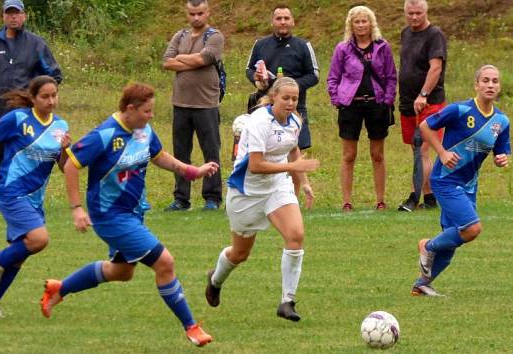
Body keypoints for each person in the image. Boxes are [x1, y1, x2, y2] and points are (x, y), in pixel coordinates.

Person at [40, 83, 216, 347]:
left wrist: (191, 171)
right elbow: (71, 166)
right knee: (165, 262)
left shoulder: (143, 130)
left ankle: (59, 288)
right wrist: (77, 208)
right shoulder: (104, 134)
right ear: (130, 109)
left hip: (133, 214)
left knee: (121, 272)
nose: (151, 116)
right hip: (110, 217)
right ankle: (191, 327)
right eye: (146, 111)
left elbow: (159, 156)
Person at [205, 77, 320, 322]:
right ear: (274, 97)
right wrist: (295, 166)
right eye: (286, 98)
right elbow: (255, 166)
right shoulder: (259, 122)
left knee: (296, 235)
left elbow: (292, 150)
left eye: (295, 98)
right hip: (247, 192)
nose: (291, 103)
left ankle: (287, 301)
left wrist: (304, 181)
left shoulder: (295, 121)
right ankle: (215, 279)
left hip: (277, 187)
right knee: (239, 254)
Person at [0, 75, 70, 318]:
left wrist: (65, 149)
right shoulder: (19, 118)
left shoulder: (61, 126)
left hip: (35, 199)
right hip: (11, 192)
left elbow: (63, 166)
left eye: (54, 95)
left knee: (20, 254)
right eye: (45, 96)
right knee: (39, 239)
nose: (51, 101)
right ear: (33, 98)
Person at [412, 65, 510, 296]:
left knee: (455, 240)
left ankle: (422, 284)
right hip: (445, 180)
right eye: (485, 80)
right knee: (472, 229)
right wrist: (442, 153)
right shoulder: (459, 110)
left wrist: (502, 159)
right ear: (476, 85)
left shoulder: (501, 121)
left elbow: (501, 151)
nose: (490, 85)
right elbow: (425, 126)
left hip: (469, 185)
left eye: (495, 81)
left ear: (499, 87)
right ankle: (427, 246)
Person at [0, 0, 62, 212]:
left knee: (26, 157)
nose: (13, 17)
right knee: (1, 156)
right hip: (0, 110)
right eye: (9, 13)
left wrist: (37, 95)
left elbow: (54, 73)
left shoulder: (36, 43)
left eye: (17, 13)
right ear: (3, 16)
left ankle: (28, 200)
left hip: (28, 113)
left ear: (25, 15)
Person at [327, 5, 397, 212]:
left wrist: (387, 99)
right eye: (356, 21)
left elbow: (391, 76)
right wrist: (336, 98)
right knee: (349, 155)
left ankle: (380, 200)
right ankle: (347, 201)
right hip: (351, 104)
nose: (360, 25)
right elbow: (333, 77)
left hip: (377, 103)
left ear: (371, 23)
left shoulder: (382, 47)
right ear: (351, 24)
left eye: (364, 21)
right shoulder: (343, 48)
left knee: (377, 154)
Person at [162, 0, 224, 211]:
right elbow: (167, 62)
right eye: (192, 14)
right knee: (180, 153)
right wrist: (190, 60)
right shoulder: (180, 36)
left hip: (206, 104)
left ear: (207, 13)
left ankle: (212, 197)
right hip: (180, 103)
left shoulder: (215, 36)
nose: (196, 17)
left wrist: (181, 58)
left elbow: (204, 58)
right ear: (187, 14)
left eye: (199, 13)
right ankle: (181, 198)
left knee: (211, 152)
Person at [245, 4, 319, 151]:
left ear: (293, 22)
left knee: (295, 151)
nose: (283, 21)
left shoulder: (303, 45)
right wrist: (257, 77)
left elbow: (314, 75)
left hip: (295, 106)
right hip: (265, 106)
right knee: (265, 149)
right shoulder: (260, 44)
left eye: (286, 18)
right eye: (279, 18)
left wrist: (289, 87)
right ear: (272, 22)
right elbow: (249, 69)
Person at [397, 0, 447, 211]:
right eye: (410, 13)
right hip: (408, 103)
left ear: (426, 12)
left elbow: (435, 68)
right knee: (416, 151)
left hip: (429, 102)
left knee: (424, 150)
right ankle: (429, 198)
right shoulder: (406, 33)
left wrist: (423, 94)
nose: (414, 17)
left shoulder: (435, 35)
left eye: (418, 13)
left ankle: (412, 197)